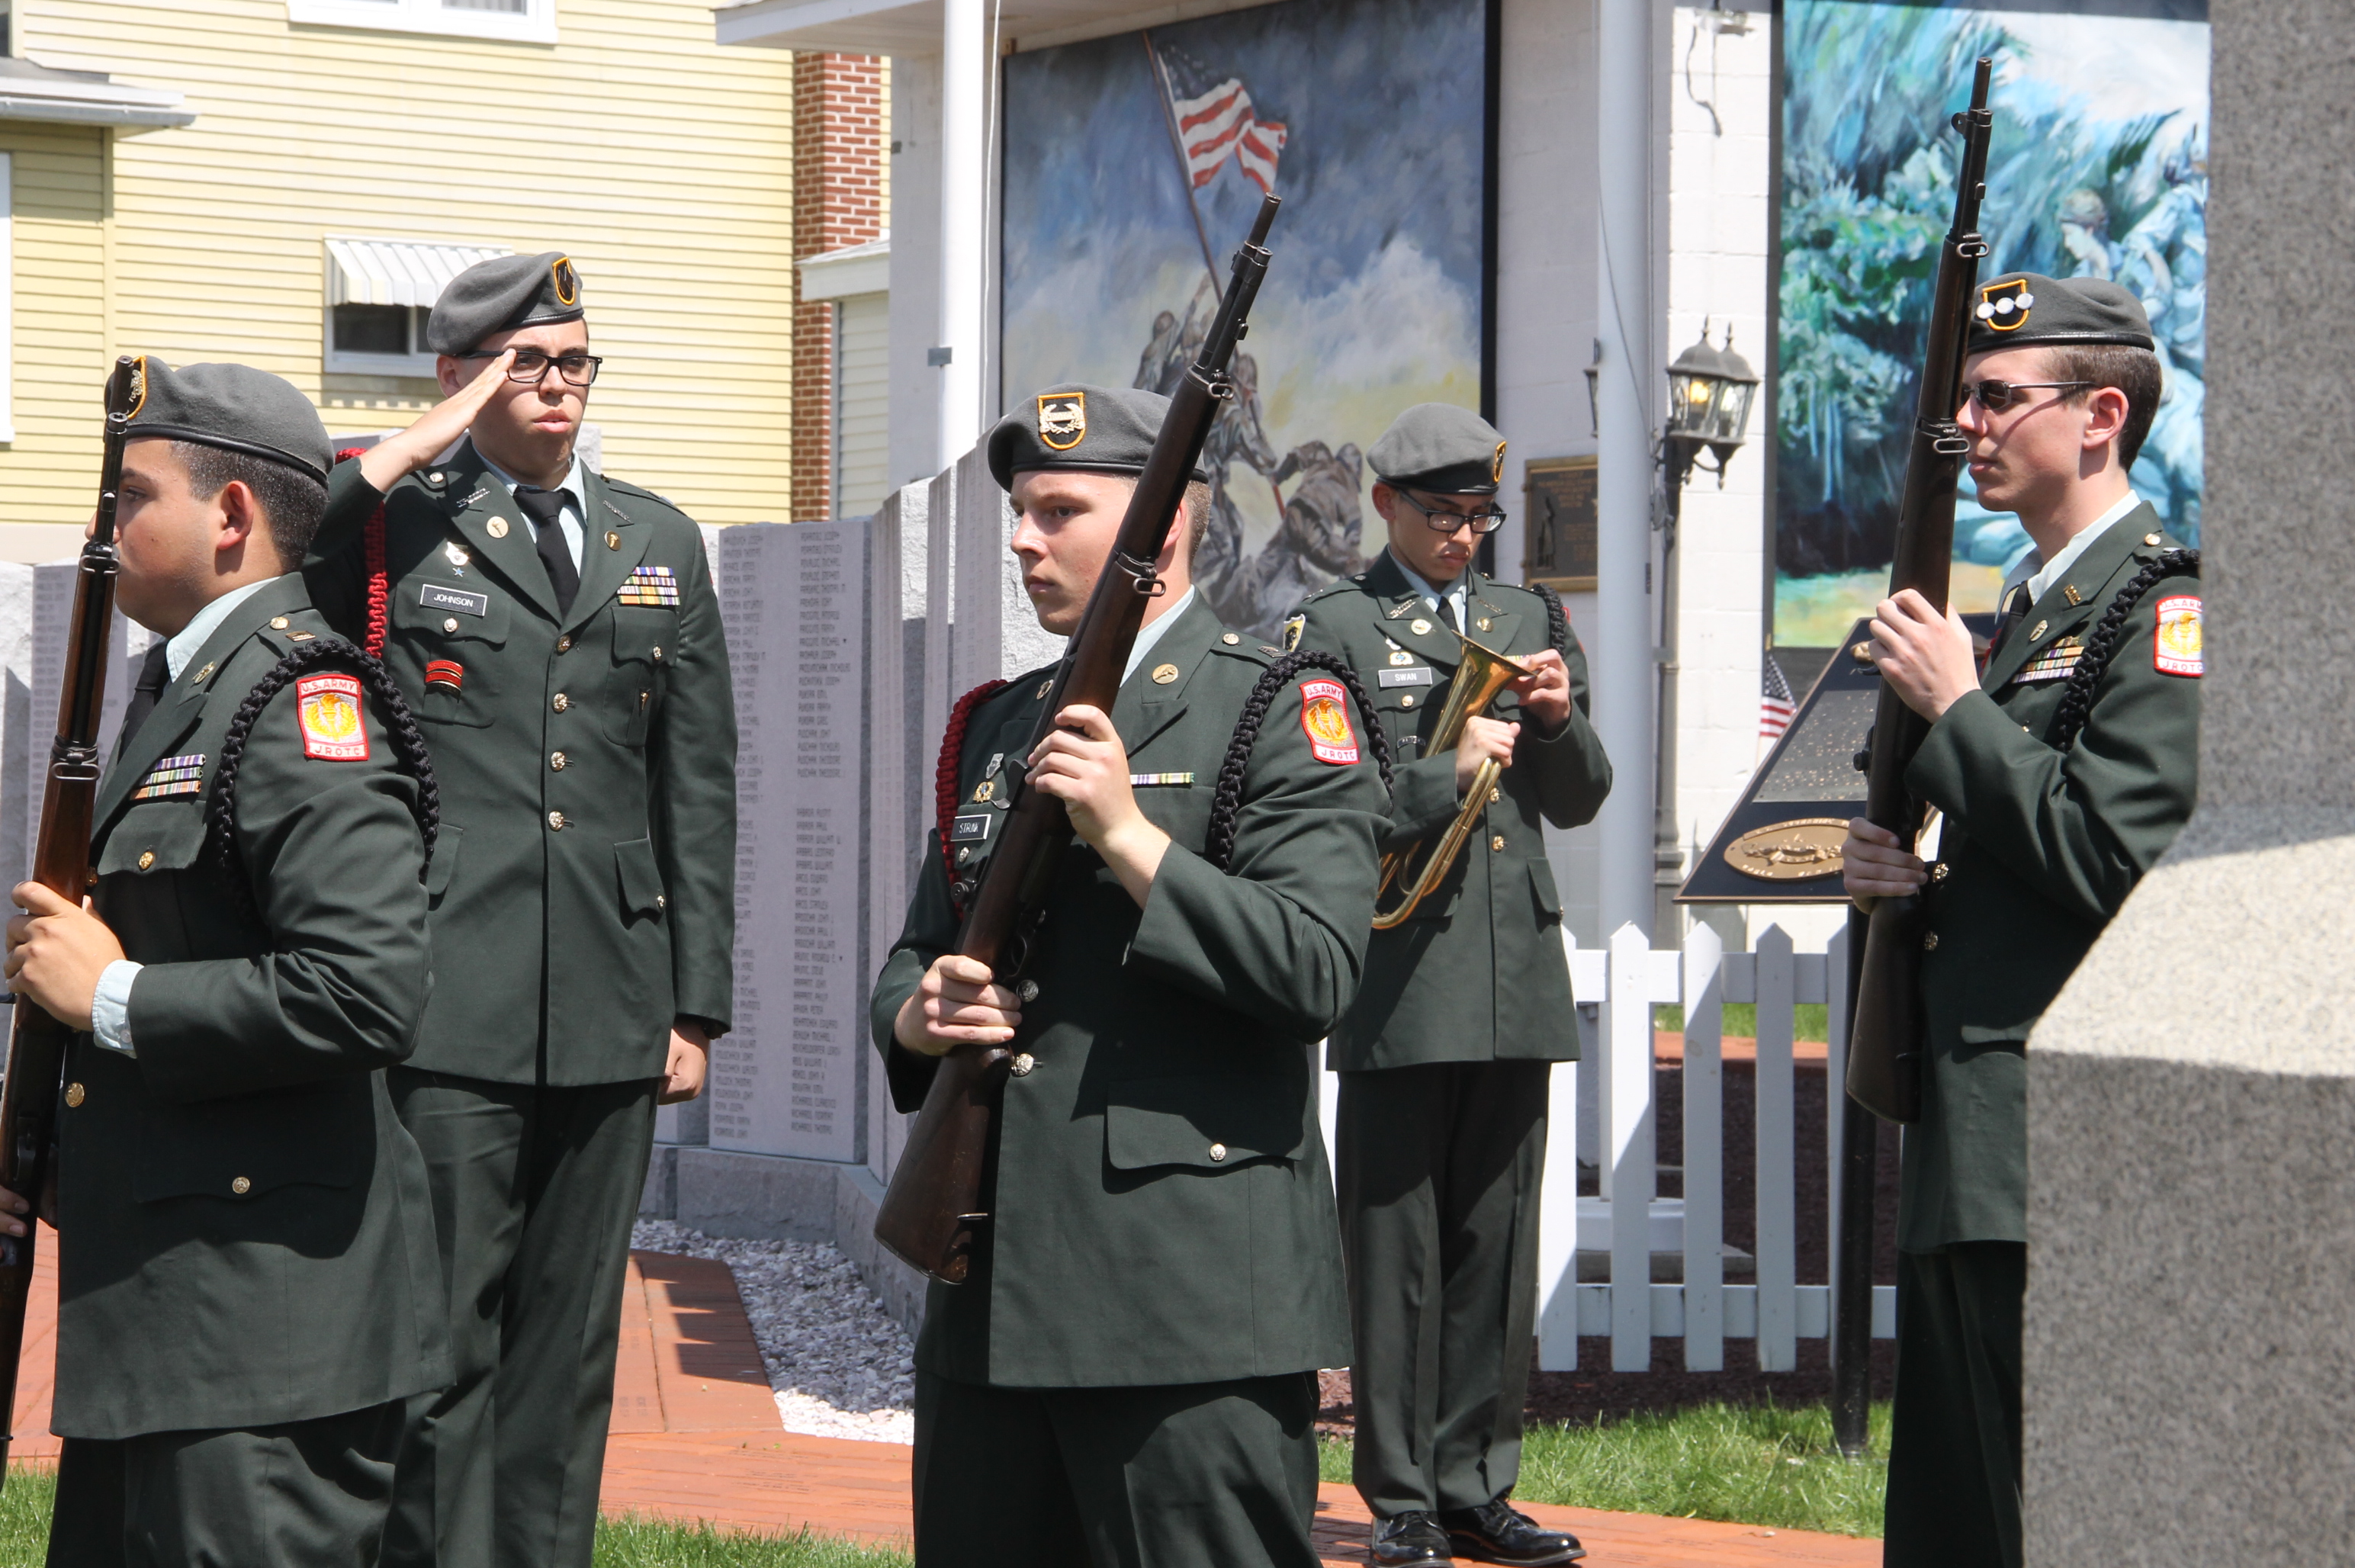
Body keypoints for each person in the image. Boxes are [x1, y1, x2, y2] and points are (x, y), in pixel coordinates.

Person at [872, 383, 1389, 1568]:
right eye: (1020, 511)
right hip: (992, 1294)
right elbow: (919, 949)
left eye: (1059, 512)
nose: (1023, 540)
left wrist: (1128, 837)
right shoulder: (1002, 723)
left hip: (1183, 1305)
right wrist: (922, 1014)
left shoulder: (1278, 705)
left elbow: (1315, 967)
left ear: (1166, 526)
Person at [305, 252, 738, 1568]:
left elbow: (696, 782)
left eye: (574, 362)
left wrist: (694, 1003)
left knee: (572, 1343)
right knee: (440, 1336)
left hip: (613, 994)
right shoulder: (396, 522)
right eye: (526, 363)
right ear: (461, 376)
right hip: (453, 990)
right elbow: (296, 546)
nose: (559, 386)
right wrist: (414, 441)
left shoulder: (656, 540)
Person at [3, 358, 445, 1563]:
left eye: (132, 496)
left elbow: (366, 990)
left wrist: (112, 994)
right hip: (166, 1313)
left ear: (232, 515)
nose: (106, 528)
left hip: (260, 1337)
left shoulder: (298, 701)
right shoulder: (188, 685)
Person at [1842, 275, 2200, 1568]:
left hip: (2059, 1148)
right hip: (1979, 1138)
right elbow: (2020, 851)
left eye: (1997, 396)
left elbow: (2124, 859)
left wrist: (1957, 711)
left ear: (2101, 415)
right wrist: (1907, 876)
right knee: (1959, 1517)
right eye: (1962, 397)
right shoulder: (2040, 611)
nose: (1967, 426)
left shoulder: (2165, 611)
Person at [1284, 403, 1612, 1568]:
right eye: (1443, 514)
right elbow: (1318, 807)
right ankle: (1402, 1500)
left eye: (1482, 515)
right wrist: (1442, 775)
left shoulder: (1529, 620)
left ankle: (1478, 1487)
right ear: (1386, 505)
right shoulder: (1333, 628)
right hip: (1404, 974)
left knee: (1495, 1246)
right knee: (1397, 1258)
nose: (1465, 535)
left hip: (1514, 971)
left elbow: (1580, 798)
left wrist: (1557, 721)